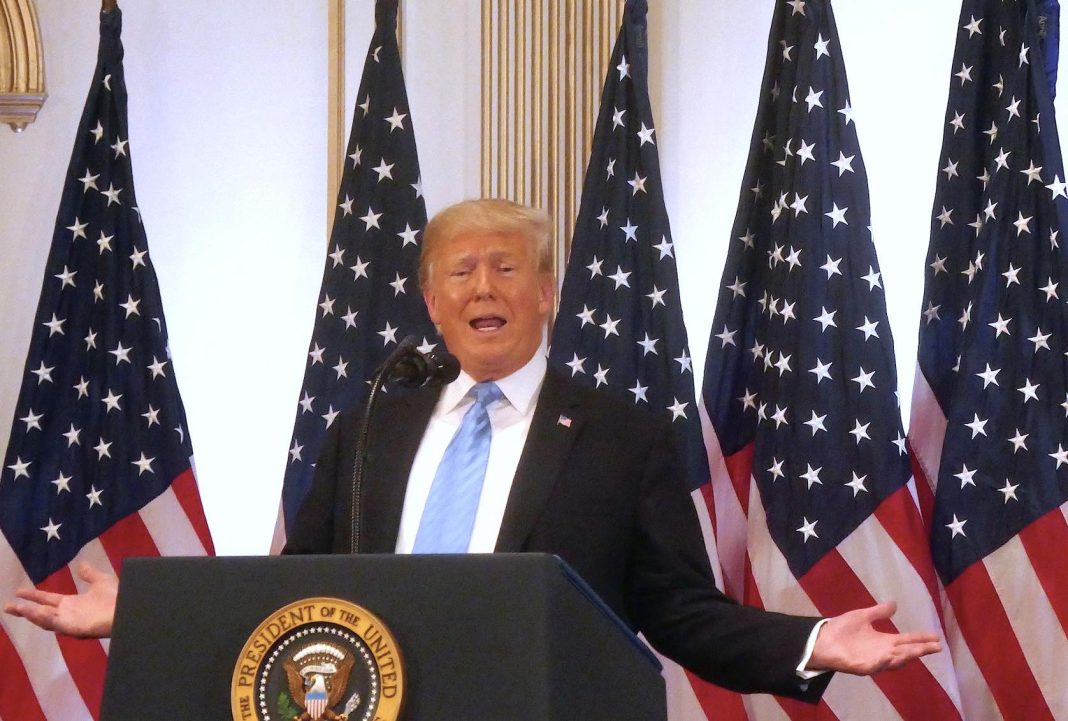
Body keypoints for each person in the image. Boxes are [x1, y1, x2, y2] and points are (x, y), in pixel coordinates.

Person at [6, 199, 940, 700]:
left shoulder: (622, 438)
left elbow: (680, 610)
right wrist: (150, 608)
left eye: (505, 266)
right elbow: (296, 586)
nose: (482, 285)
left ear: (546, 294)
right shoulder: (371, 426)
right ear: (432, 301)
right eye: (460, 270)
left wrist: (813, 639)